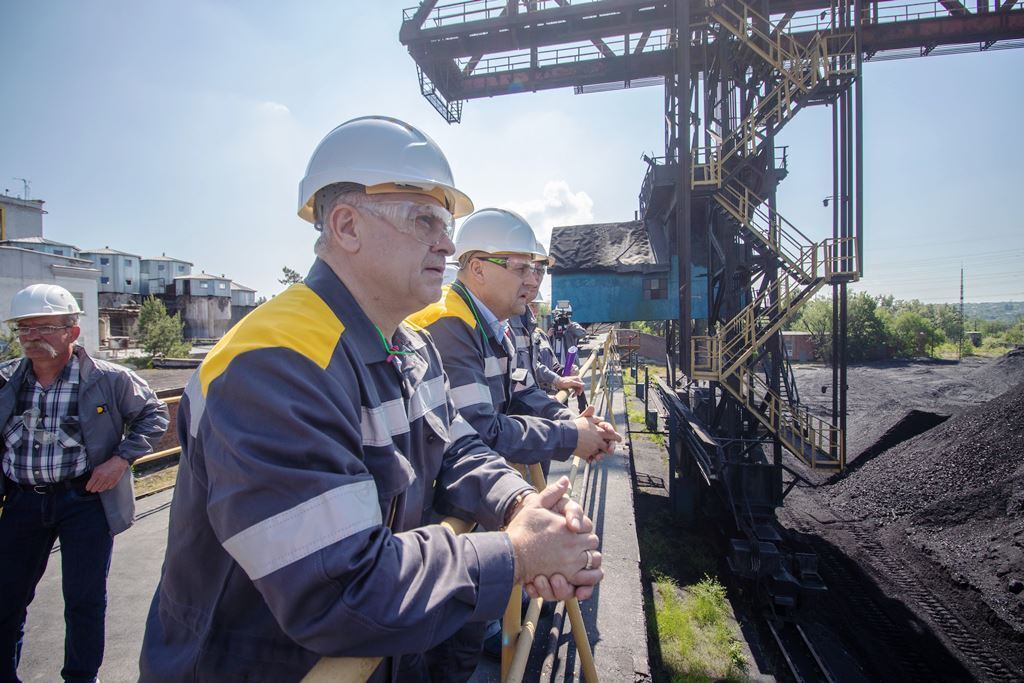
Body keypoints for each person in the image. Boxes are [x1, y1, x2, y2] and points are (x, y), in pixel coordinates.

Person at [139, 116, 603, 682]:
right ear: (347, 226)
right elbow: (339, 588)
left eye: (447, 222)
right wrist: (516, 556)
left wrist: (517, 504)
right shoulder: (271, 365)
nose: (448, 243)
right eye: (425, 219)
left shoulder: (408, 343)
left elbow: (457, 445)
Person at [0, 284, 169, 683]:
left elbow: (154, 413)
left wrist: (120, 459)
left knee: (84, 600)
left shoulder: (108, 379)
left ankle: (80, 677)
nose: (31, 338)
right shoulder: (6, 379)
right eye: (24, 329)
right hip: (22, 501)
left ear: (72, 332)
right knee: (7, 598)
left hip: (84, 501)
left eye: (44, 328)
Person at [410, 208, 619, 471]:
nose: (532, 281)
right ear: (478, 269)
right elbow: (481, 429)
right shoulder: (447, 324)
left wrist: (572, 419)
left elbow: (524, 391)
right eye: (521, 268)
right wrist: (571, 436)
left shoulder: (495, 324)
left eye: (533, 270)